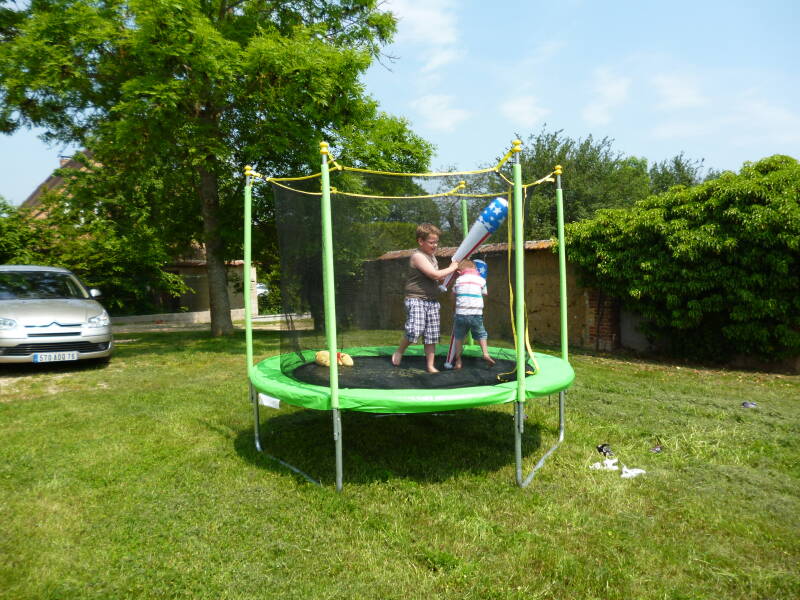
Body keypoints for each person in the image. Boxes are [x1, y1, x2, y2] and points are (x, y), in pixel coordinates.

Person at [391, 223, 459, 373]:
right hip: (416, 299)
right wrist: (452, 267)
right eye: (431, 242)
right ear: (420, 241)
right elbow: (434, 274)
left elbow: (439, 278)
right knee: (415, 329)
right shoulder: (418, 257)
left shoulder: (432, 258)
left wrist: (451, 275)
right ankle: (399, 351)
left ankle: (430, 365)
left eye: (437, 242)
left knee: (431, 335)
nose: (435, 245)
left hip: (432, 301)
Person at [451, 259, 496, 369]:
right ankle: (485, 353)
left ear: (460, 272)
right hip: (476, 314)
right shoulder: (481, 280)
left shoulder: (458, 280)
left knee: (459, 336)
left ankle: (458, 360)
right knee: (481, 334)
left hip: (461, 314)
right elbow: (484, 294)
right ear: (475, 269)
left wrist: (455, 307)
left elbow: (453, 295)